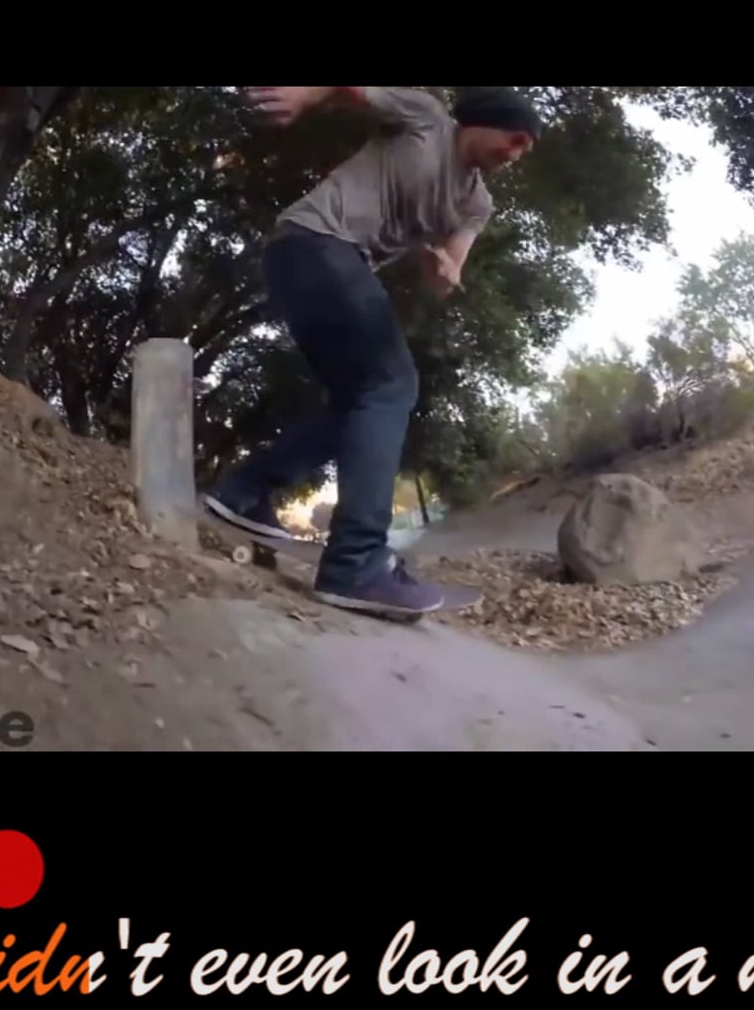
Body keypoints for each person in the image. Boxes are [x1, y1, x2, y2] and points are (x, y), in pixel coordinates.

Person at [203, 86, 539, 618]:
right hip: (315, 242)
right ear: (482, 121)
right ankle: (356, 563)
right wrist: (305, 96)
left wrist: (443, 271)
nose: (516, 154)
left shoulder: (477, 204)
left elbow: (451, 271)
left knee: (357, 402)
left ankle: (244, 491)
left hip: (310, 263)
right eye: (515, 139)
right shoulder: (429, 119)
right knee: (392, 385)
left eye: (526, 149)